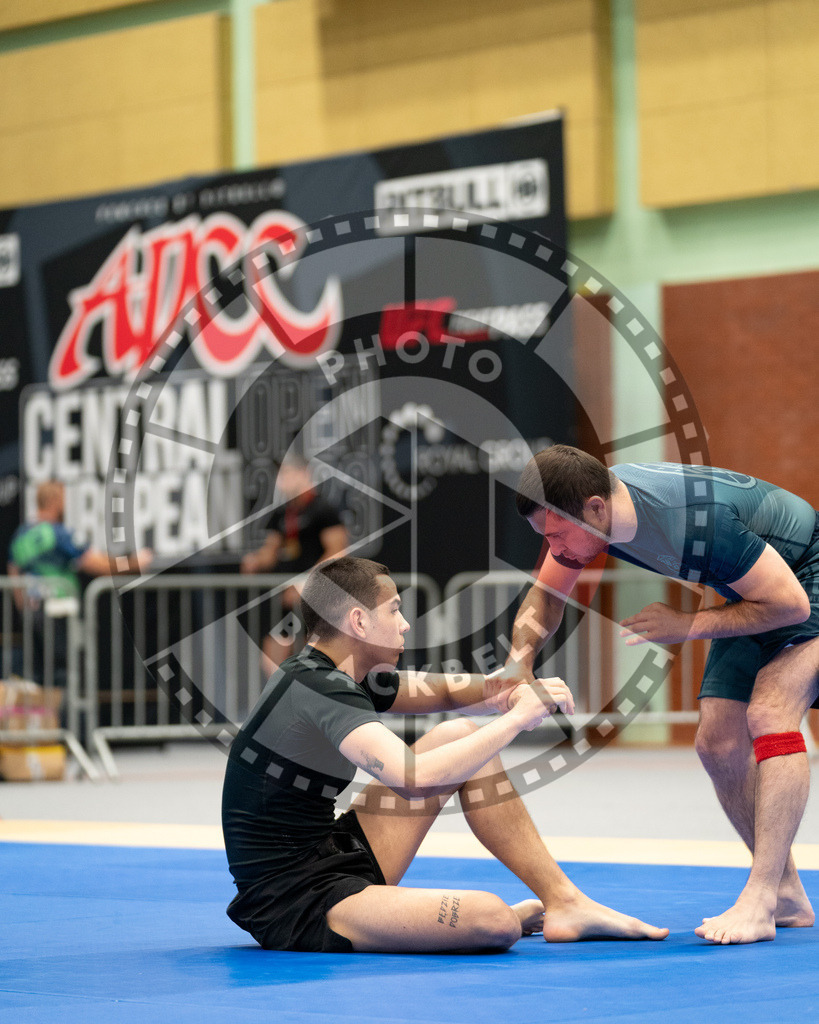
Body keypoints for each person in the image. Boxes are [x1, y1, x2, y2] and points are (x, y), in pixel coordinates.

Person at [221, 554, 668, 953]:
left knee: (459, 734)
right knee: (494, 920)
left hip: (332, 851)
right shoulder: (321, 690)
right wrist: (514, 721)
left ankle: (566, 902)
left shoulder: (339, 672)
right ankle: (504, 917)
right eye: (394, 611)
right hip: (295, 901)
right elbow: (411, 778)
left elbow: (442, 691)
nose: (405, 624)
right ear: (358, 622)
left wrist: (508, 690)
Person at [508, 444, 819, 945]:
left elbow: (792, 605)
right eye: (544, 536)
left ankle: (760, 899)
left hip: (807, 575)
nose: (555, 548)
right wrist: (516, 662)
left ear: (596, 508)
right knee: (717, 744)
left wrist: (689, 624)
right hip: (757, 590)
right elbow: (547, 595)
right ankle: (786, 891)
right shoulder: (586, 514)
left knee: (771, 712)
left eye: (557, 533)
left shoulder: (695, 522)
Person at [7, 481, 152, 685]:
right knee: (66, 670)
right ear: (55, 501)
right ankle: (65, 717)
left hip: (32, 613)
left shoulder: (21, 535)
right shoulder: (57, 533)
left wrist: (24, 609)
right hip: (58, 611)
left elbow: (13, 572)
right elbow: (96, 564)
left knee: (39, 673)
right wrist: (136, 563)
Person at [241, 455, 347, 674]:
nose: (282, 480)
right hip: (286, 600)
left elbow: (337, 552)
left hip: (318, 599)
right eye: (281, 475)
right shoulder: (283, 514)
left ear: (304, 474)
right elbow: (270, 553)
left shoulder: (322, 510)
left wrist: (304, 584)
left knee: (320, 660)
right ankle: (284, 704)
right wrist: (255, 561)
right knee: (271, 662)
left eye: (288, 474)